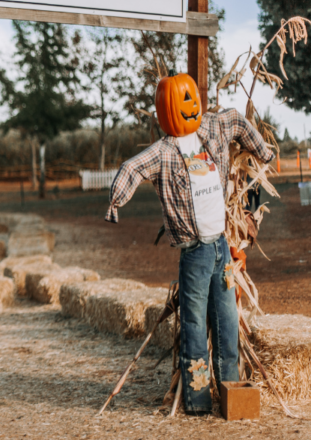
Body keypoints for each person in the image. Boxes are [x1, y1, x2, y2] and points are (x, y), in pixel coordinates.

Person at [106, 73, 274, 415]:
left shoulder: (212, 128)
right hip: (195, 253)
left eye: (191, 97)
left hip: (222, 249)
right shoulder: (164, 152)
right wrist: (115, 203)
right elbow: (131, 168)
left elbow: (237, 120)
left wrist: (263, 151)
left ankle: (230, 391)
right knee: (195, 326)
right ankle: (197, 401)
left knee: (226, 320)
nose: (189, 104)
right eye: (180, 100)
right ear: (163, 111)